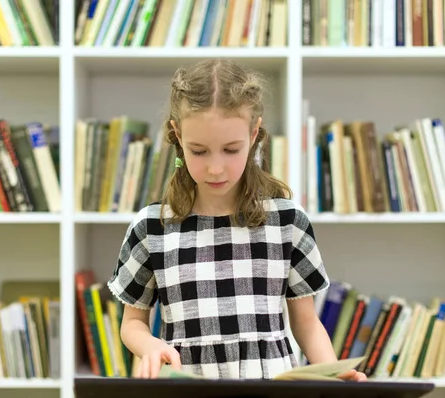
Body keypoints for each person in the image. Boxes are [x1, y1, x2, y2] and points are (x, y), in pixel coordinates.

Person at [107, 59, 366, 382]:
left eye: (231, 149)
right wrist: (150, 346)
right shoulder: (151, 228)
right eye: (199, 151)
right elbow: (132, 323)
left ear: (254, 133)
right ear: (177, 135)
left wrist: (334, 377)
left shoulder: (288, 223)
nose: (216, 168)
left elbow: (306, 322)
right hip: (189, 387)